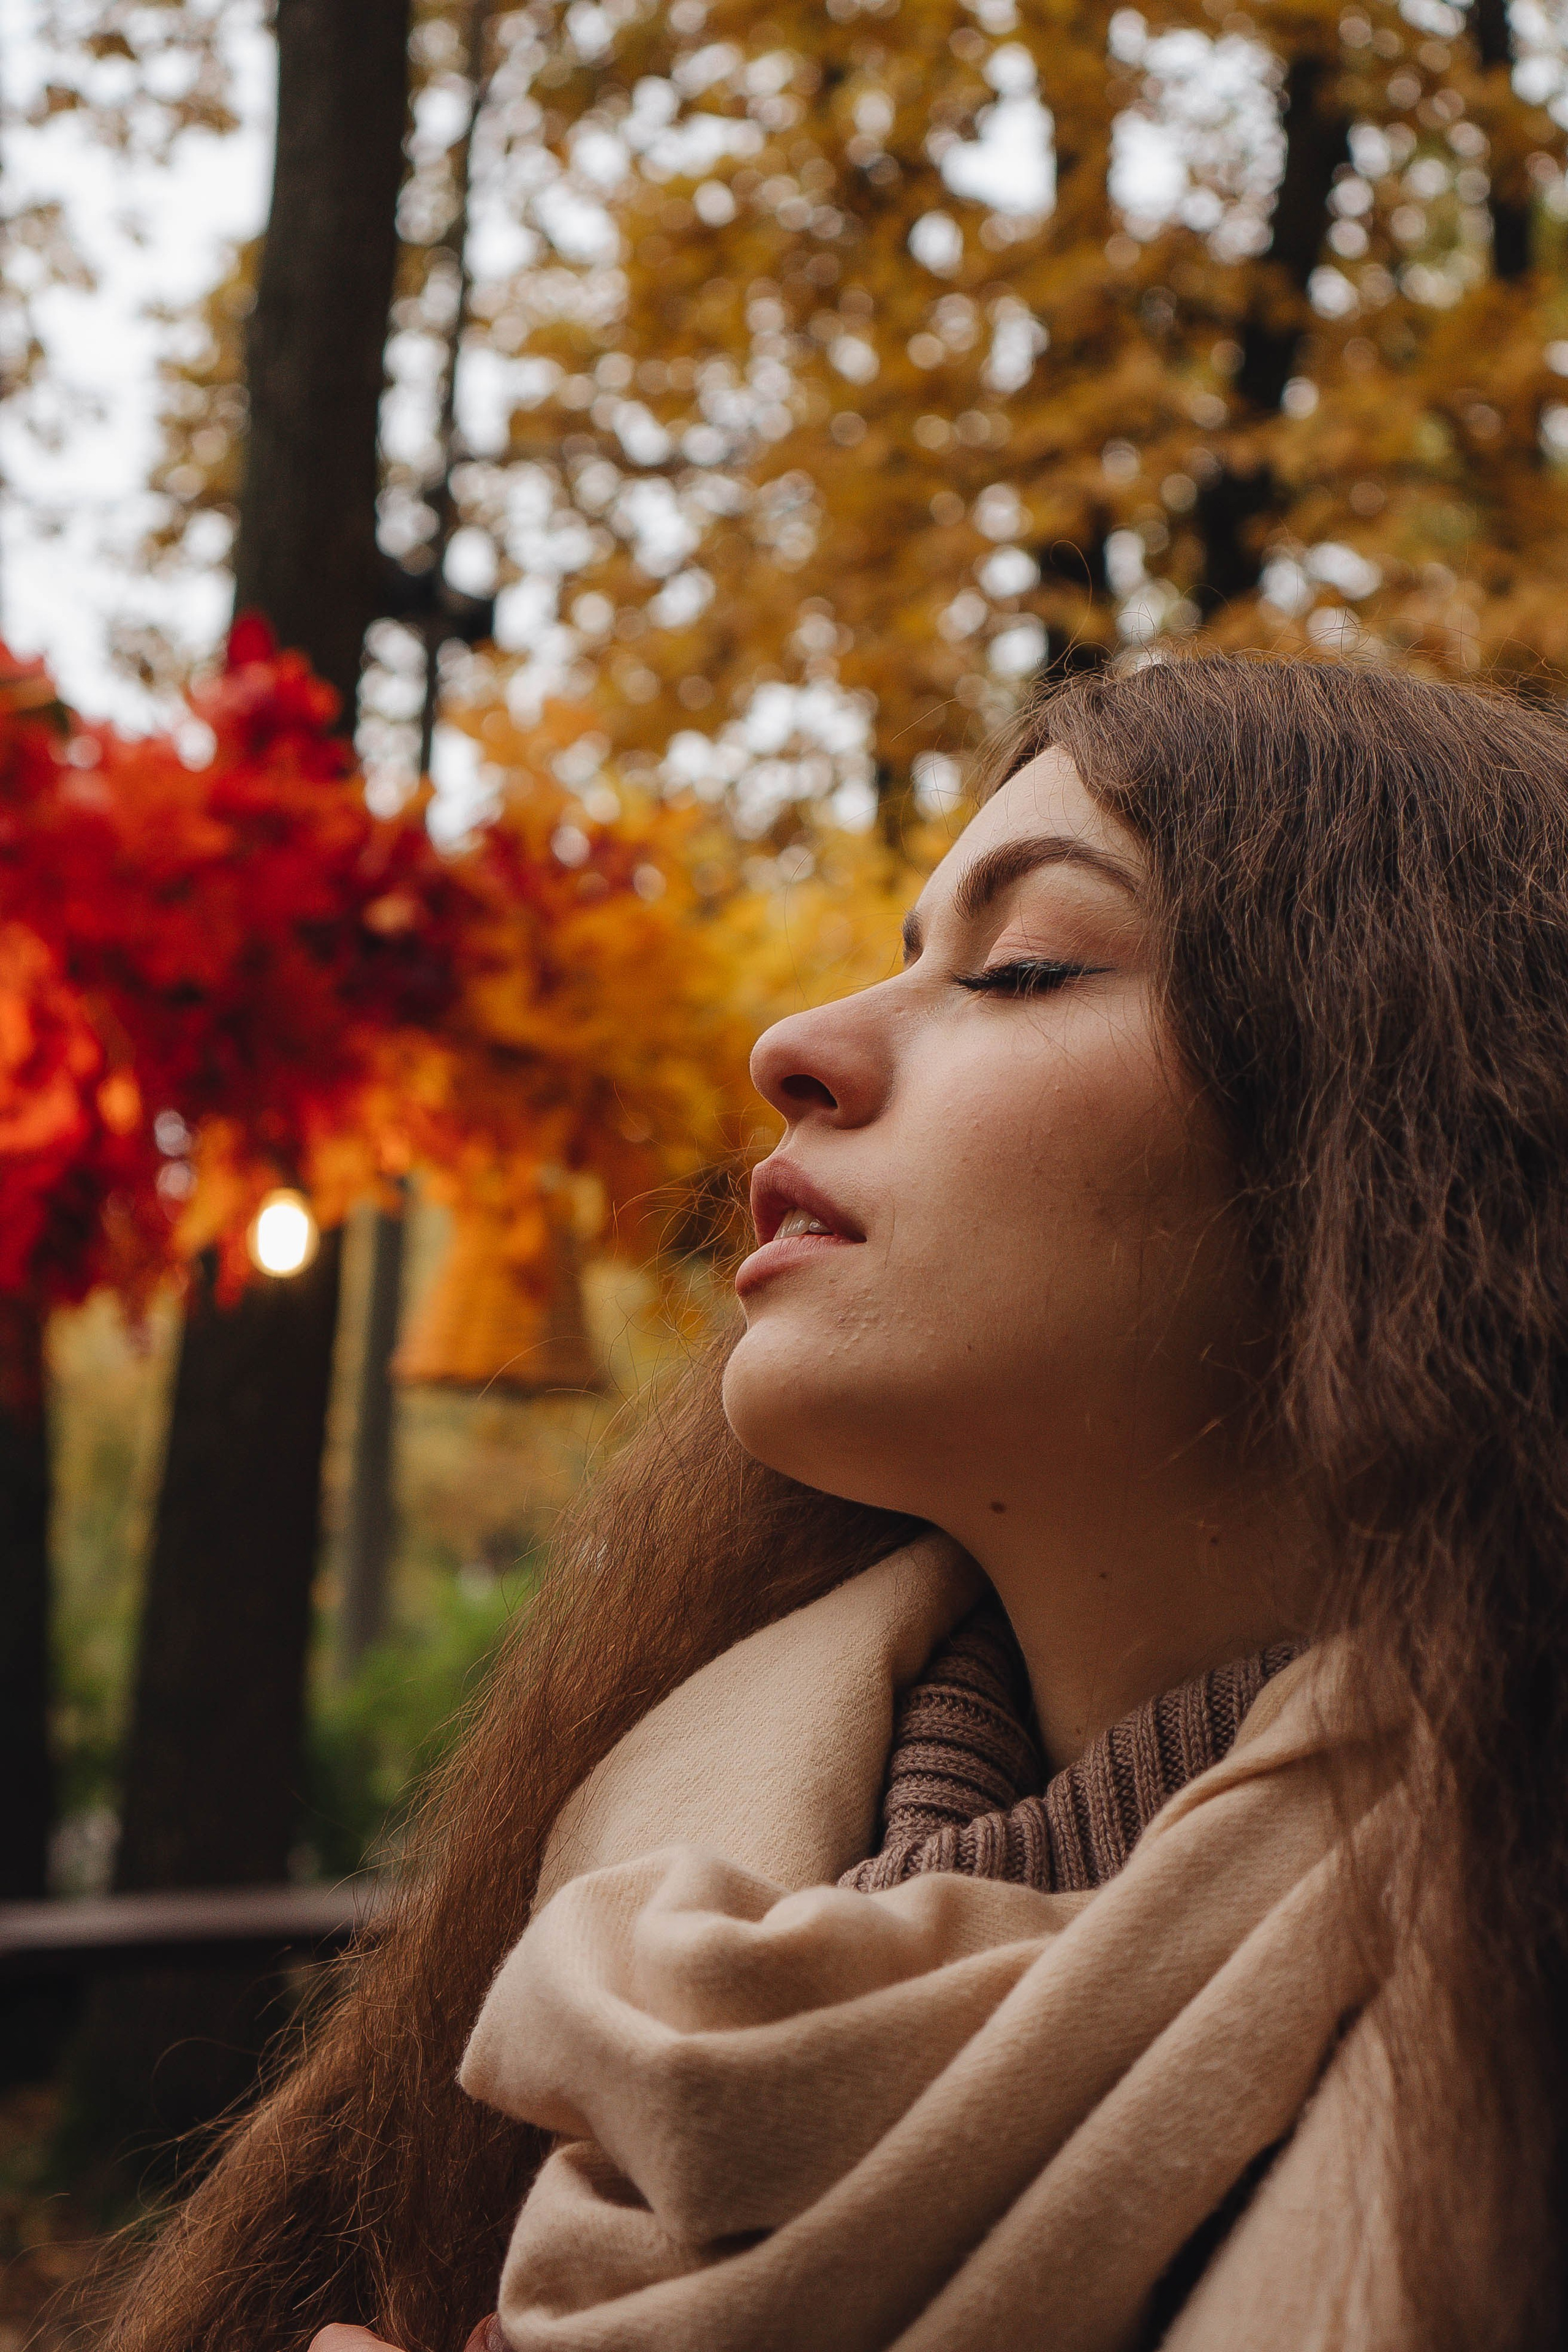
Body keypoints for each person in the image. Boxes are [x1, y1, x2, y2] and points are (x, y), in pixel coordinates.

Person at [104, 655, 1568, 2352]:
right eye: (907, 957)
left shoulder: (1511, 2009)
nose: (788, 1046)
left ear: (1417, 1161)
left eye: (1024, 969)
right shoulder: (602, 1919)